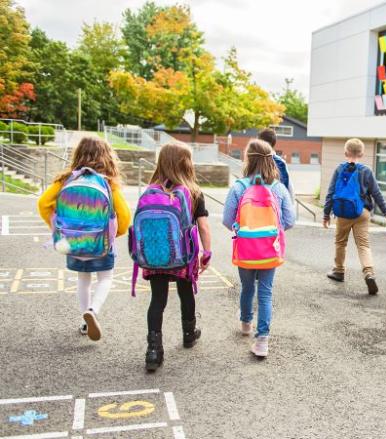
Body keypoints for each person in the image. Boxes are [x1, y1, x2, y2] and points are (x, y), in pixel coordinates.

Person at [37, 136, 130, 341]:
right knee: (105, 278)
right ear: (106, 157)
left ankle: (85, 323)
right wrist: (113, 233)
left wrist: (58, 228)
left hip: (73, 242)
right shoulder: (108, 183)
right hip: (100, 243)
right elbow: (124, 217)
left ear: (78, 155)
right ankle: (93, 310)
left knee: (83, 279)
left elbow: (43, 203)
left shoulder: (66, 180)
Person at [140, 143, 212, 371]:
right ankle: (189, 334)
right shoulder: (193, 191)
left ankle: (153, 351)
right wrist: (206, 253)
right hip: (183, 255)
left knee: (157, 300)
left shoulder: (150, 190)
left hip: (155, 254)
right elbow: (203, 227)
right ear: (186, 164)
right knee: (185, 292)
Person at [223, 139, 295, 358]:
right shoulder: (278, 188)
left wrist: (242, 229)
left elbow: (227, 220)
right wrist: (273, 230)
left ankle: (246, 323)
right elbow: (289, 220)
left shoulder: (239, 187)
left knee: (247, 288)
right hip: (269, 250)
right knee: (265, 293)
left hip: (245, 249)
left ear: (248, 159)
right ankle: (262, 340)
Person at [322, 138, 386, 294]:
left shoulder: (339, 169)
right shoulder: (366, 171)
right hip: (362, 212)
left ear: (345, 152)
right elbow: (377, 194)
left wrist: (326, 215)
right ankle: (368, 272)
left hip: (343, 212)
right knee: (363, 245)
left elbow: (330, 193)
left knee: (340, 242)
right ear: (361, 154)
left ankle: (339, 271)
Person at [258, 128, 294, 199]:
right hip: (277, 203)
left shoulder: (253, 161)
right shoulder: (281, 163)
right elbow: (289, 190)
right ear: (274, 142)